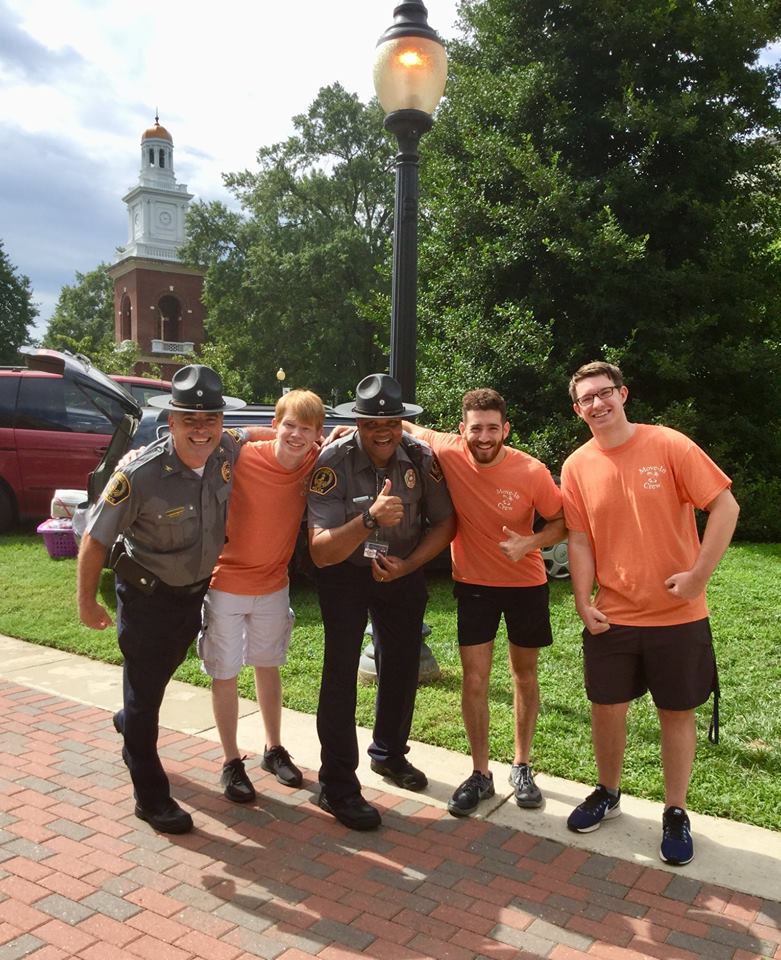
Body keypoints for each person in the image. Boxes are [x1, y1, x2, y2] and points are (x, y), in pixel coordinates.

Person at [561, 361, 739, 866]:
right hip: (613, 616)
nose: (597, 404)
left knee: (676, 714)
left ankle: (676, 811)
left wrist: (700, 576)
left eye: (604, 393)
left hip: (677, 616)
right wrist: (582, 601)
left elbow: (725, 507)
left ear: (623, 394)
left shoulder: (669, 444)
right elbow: (578, 538)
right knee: (606, 708)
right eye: (586, 399)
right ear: (578, 410)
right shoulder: (576, 465)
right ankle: (608, 793)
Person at [77, 365, 256, 835]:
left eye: (210, 419)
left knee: (154, 678)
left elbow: (251, 432)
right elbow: (95, 539)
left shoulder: (225, 449)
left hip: (191, 597)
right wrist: (86, 603)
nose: (201, 429)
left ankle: (128, 720)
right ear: (171, 421)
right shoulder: (140, 474)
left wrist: (297, 433)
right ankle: (150, 797)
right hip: (145, 598)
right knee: (146, 695)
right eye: (189, 420)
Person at [402, 389, 565, 816]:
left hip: (526, 585)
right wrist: (344, 429)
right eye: (476, 428)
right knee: (475, 680)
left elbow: (562, 522)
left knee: (524, 676)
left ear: (506, 429)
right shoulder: (449, 449)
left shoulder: (531, 471)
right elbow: (401, 425)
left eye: (493, 427)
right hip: (474, 585)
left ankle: (522, 765)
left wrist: (530, 541)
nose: (485, 436)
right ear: (463, 429)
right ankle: (480, 774)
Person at [307, 374, 456, 830]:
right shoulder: (333, 461)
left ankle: (389, 755)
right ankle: (336, 785)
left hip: (400, 572)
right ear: (359, 423)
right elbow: (320, 549)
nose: (384, 431)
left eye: (393, 421)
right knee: (340, 675)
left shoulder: (420, 457)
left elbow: (445, 523)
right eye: (374, 423)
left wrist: (409, 567)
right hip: (346, 575)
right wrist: (368, 520)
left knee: (401, 666)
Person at [199, 389, 325, 803]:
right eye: (289, 425)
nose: (296, 435)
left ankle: (273, 749)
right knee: (225, 671)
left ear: (316, 435)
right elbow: (201, 438)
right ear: (275, 425)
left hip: (274, 584)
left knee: (268, 665)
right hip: (226, 582)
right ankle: (232, 761)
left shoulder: (313, 462)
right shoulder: (244, 457)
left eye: (306, 429)